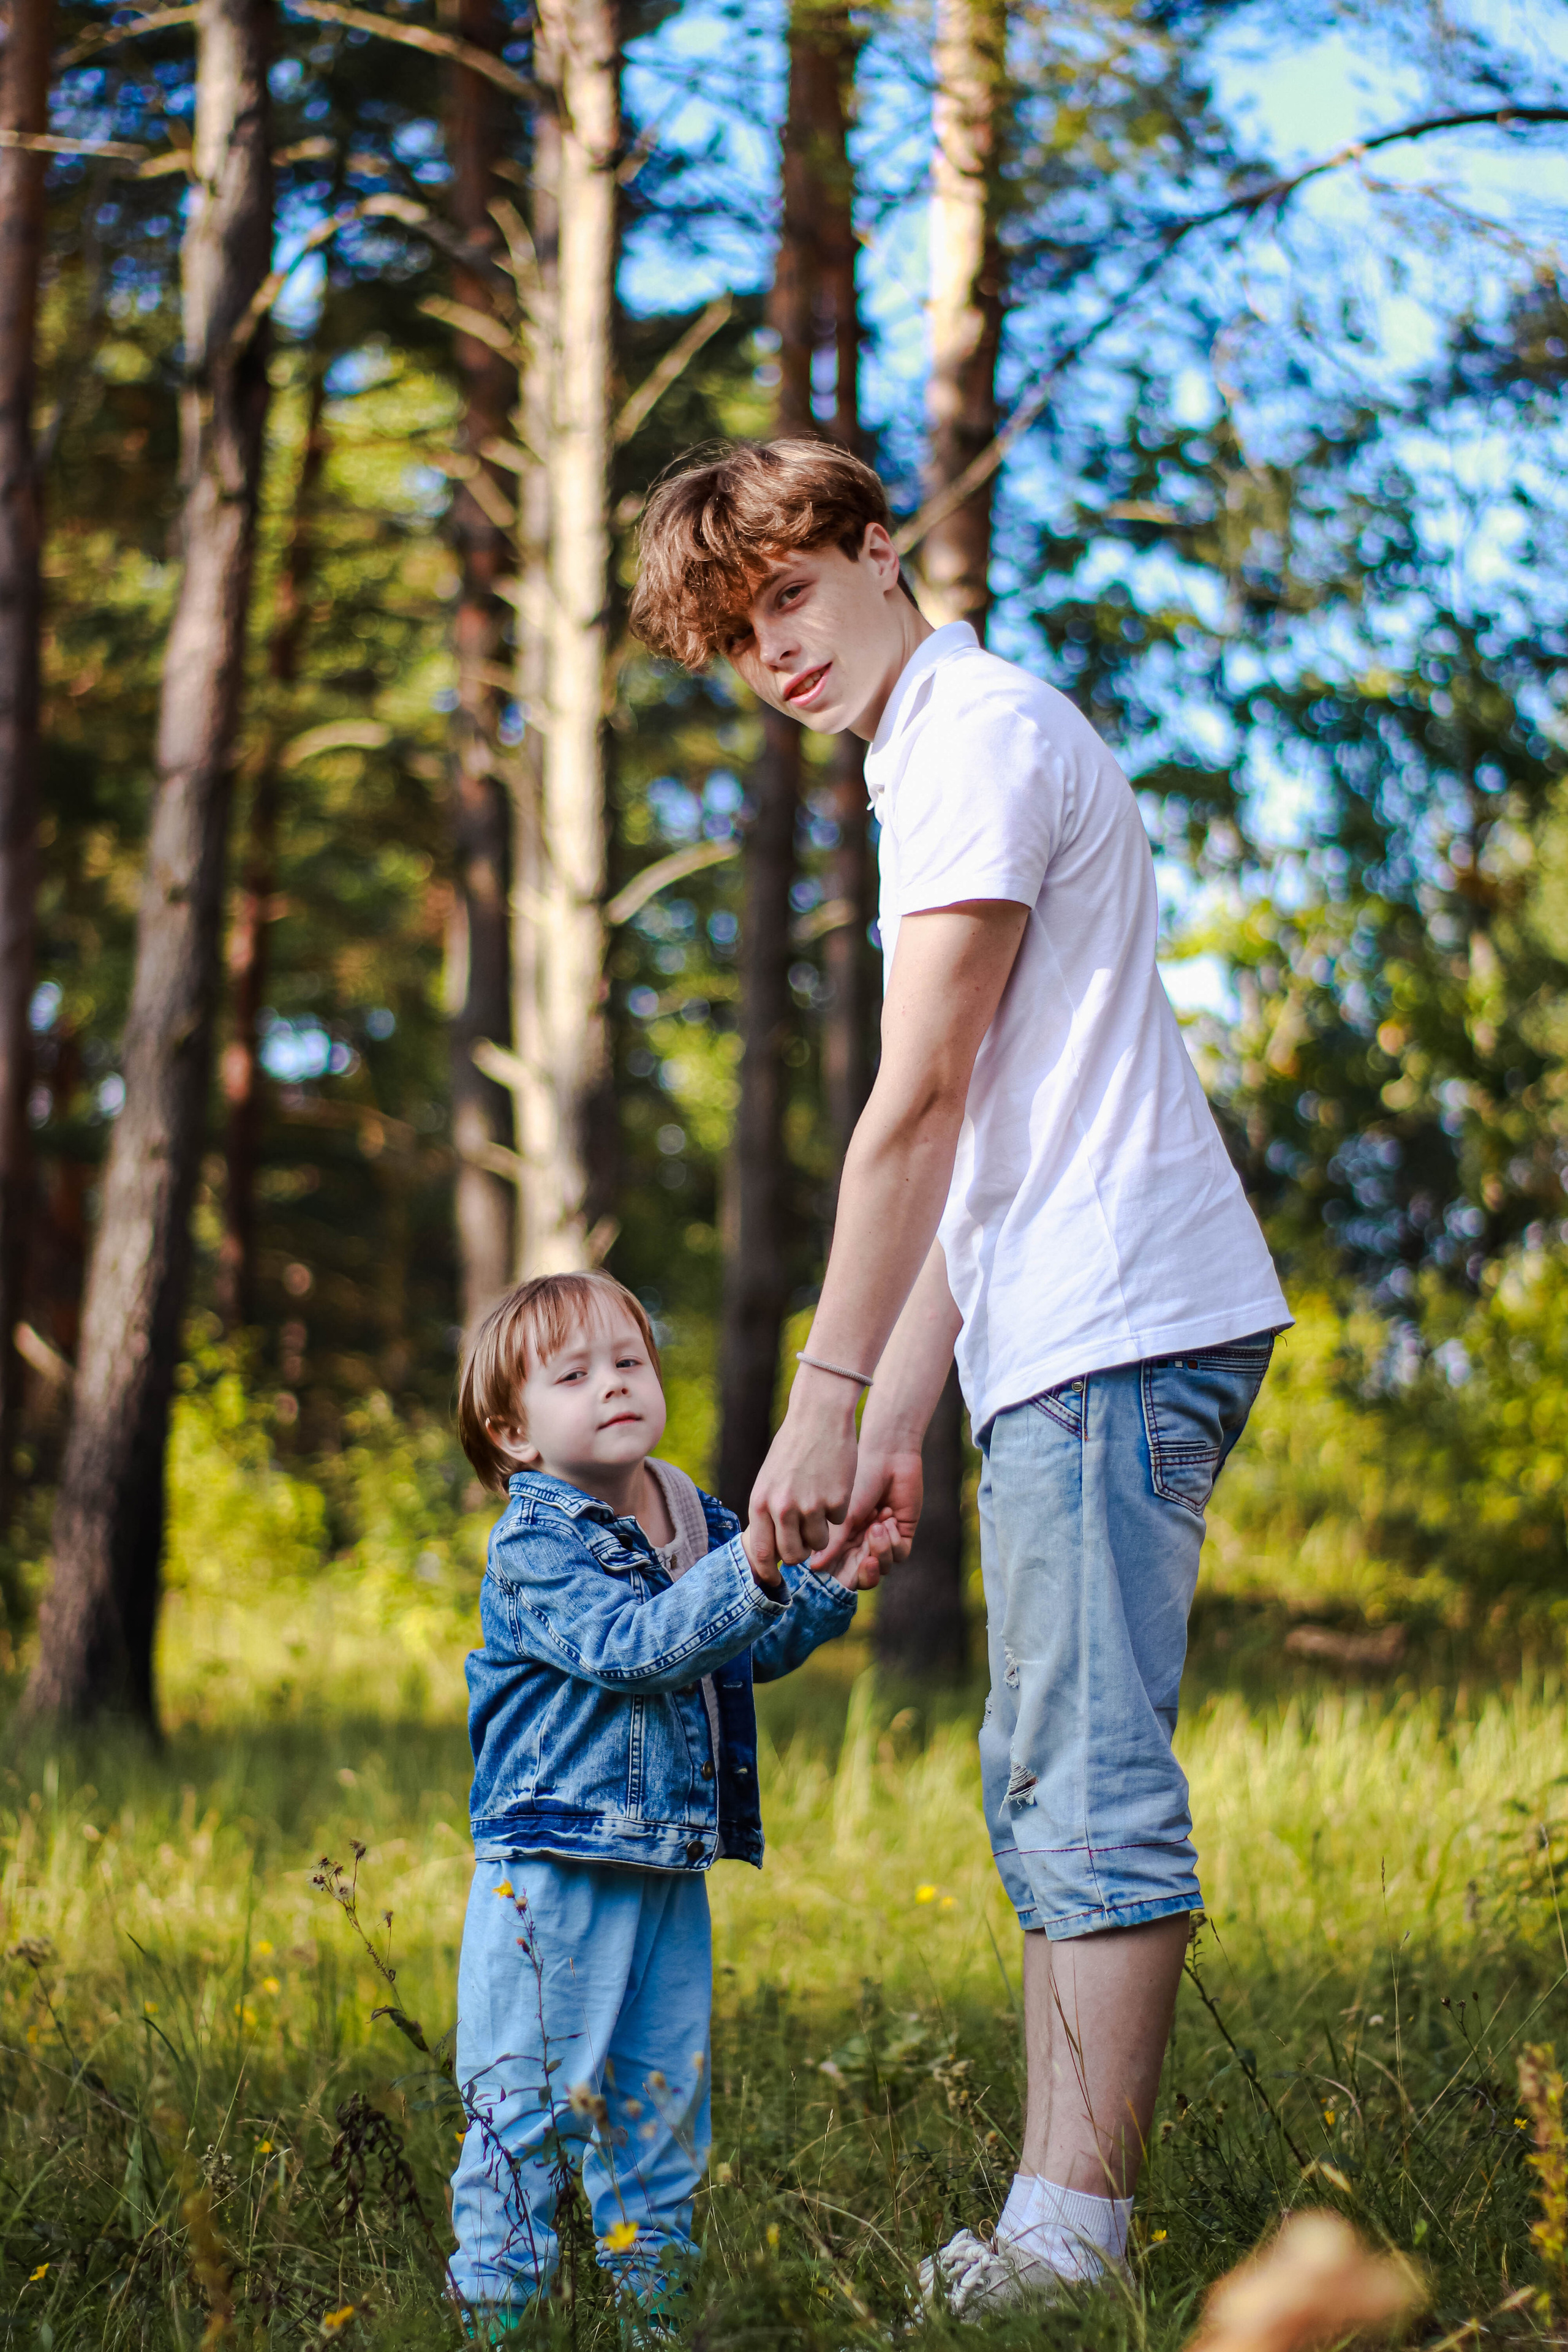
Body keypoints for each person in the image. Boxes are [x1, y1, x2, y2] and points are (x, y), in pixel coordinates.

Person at [629, 440, 1291, 2313]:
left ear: (874, 545)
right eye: (734, 637)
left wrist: (827, 1386)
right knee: (1041, 1767)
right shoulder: (930, 750)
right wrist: (910, 1401)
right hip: (1059, 1316)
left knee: (1081, 1777)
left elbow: (918, 1104)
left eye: (789, 597)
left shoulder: (979, 734)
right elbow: (991, 1129)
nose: (775, 653)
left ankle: (1076, 2243)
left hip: (1116, 1315)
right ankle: (1052, 2212)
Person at [448, 1268, 891, 2322]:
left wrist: (828, 1573)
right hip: (553, 1874)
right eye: (574, 1374)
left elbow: (748, 1643)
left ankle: (657, 2317)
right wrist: (755, 1565)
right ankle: (495, 2320)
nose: (613, 1385)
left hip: (665, 1868)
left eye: (629, 1361)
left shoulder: (686, 1508)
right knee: (526, 2108)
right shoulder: (535, 1543)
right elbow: (635, 1648)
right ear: (515, 1432)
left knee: (659, 2110)